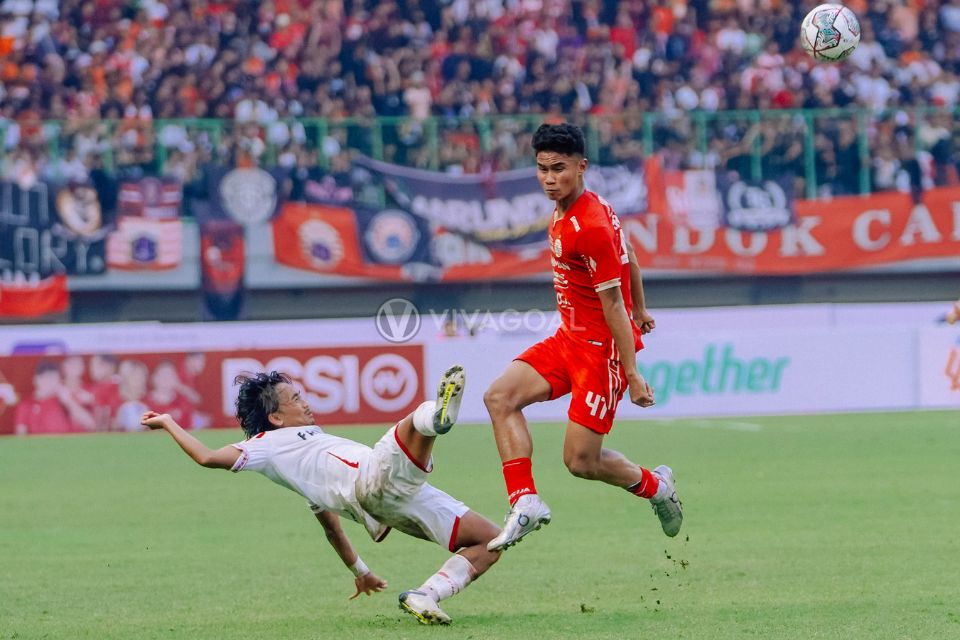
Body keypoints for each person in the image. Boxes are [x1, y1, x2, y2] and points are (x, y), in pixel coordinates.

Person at [141, 365, 501, 625]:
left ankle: (426, 595)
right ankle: (436, 418)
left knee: (490, 541)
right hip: (370, 479)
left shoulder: (305, 462)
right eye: (296, 398)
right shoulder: (267, 445)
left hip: (392, 503)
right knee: (411, 425)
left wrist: (361, 571)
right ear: (276, 418)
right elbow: (207, 457)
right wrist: (169, 422)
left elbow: (330, 527)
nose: (306, 402)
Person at [483, 123, 683, 552]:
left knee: (580, 462)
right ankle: (524, 501)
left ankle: (657, 486)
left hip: (601, 352)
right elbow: (629, 256)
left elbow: (613, 305)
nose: (550, 179)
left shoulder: (589, 223)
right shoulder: (578, 208)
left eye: (559, 169)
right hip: (568, 339)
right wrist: (643, 307)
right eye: (542, 169)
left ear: (582, 166)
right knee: (499, 398)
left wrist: (631, 372)